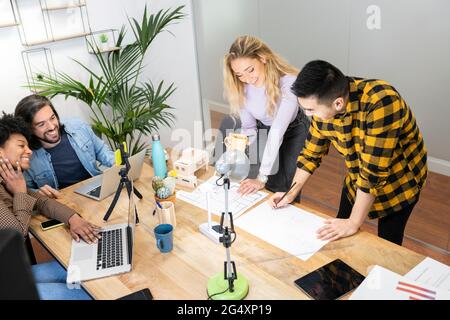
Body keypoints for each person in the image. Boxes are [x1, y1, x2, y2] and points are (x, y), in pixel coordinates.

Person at [269, 60, 427, 245]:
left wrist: (354, 222)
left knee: (388, 242)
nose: (308, 115)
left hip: (400, 180)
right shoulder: (324, 105)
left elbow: (372, 173)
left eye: (310, 110)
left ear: (338, 103)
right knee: (336, 232)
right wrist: (290, 193)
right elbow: (310, 154)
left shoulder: (382, 101)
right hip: (357, 174)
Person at [0, 113, 101, 299]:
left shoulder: (9, 179)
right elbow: (16, 236)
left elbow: (43, 202)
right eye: (22, 145)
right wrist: (21, 191)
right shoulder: (14, 184)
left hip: (8, 271)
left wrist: (74, 219)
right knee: (86, 295)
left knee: (83, 272)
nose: (29, 151)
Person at [218, 35, 310, 198]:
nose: (247, 79)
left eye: (250, 70)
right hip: (265, 128)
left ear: (263, 58)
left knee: (285, 187)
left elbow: (277, 131)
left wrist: (261, 177)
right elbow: (249, 128)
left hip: (293, 130)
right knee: (263, 181)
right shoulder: (241, 87)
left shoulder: (289, 83)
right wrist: (239, 147)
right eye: (240, 74)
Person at [14, 94, 115, 198]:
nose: (52, 126)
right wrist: (38, 193)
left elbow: (101, 150)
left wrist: (115, 162)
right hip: (64, 202)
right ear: (29, 129)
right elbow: (26, 189)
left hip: (97, 189)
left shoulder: (78, 126)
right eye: (41, 124)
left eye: (52, 118)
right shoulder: (27, 156)